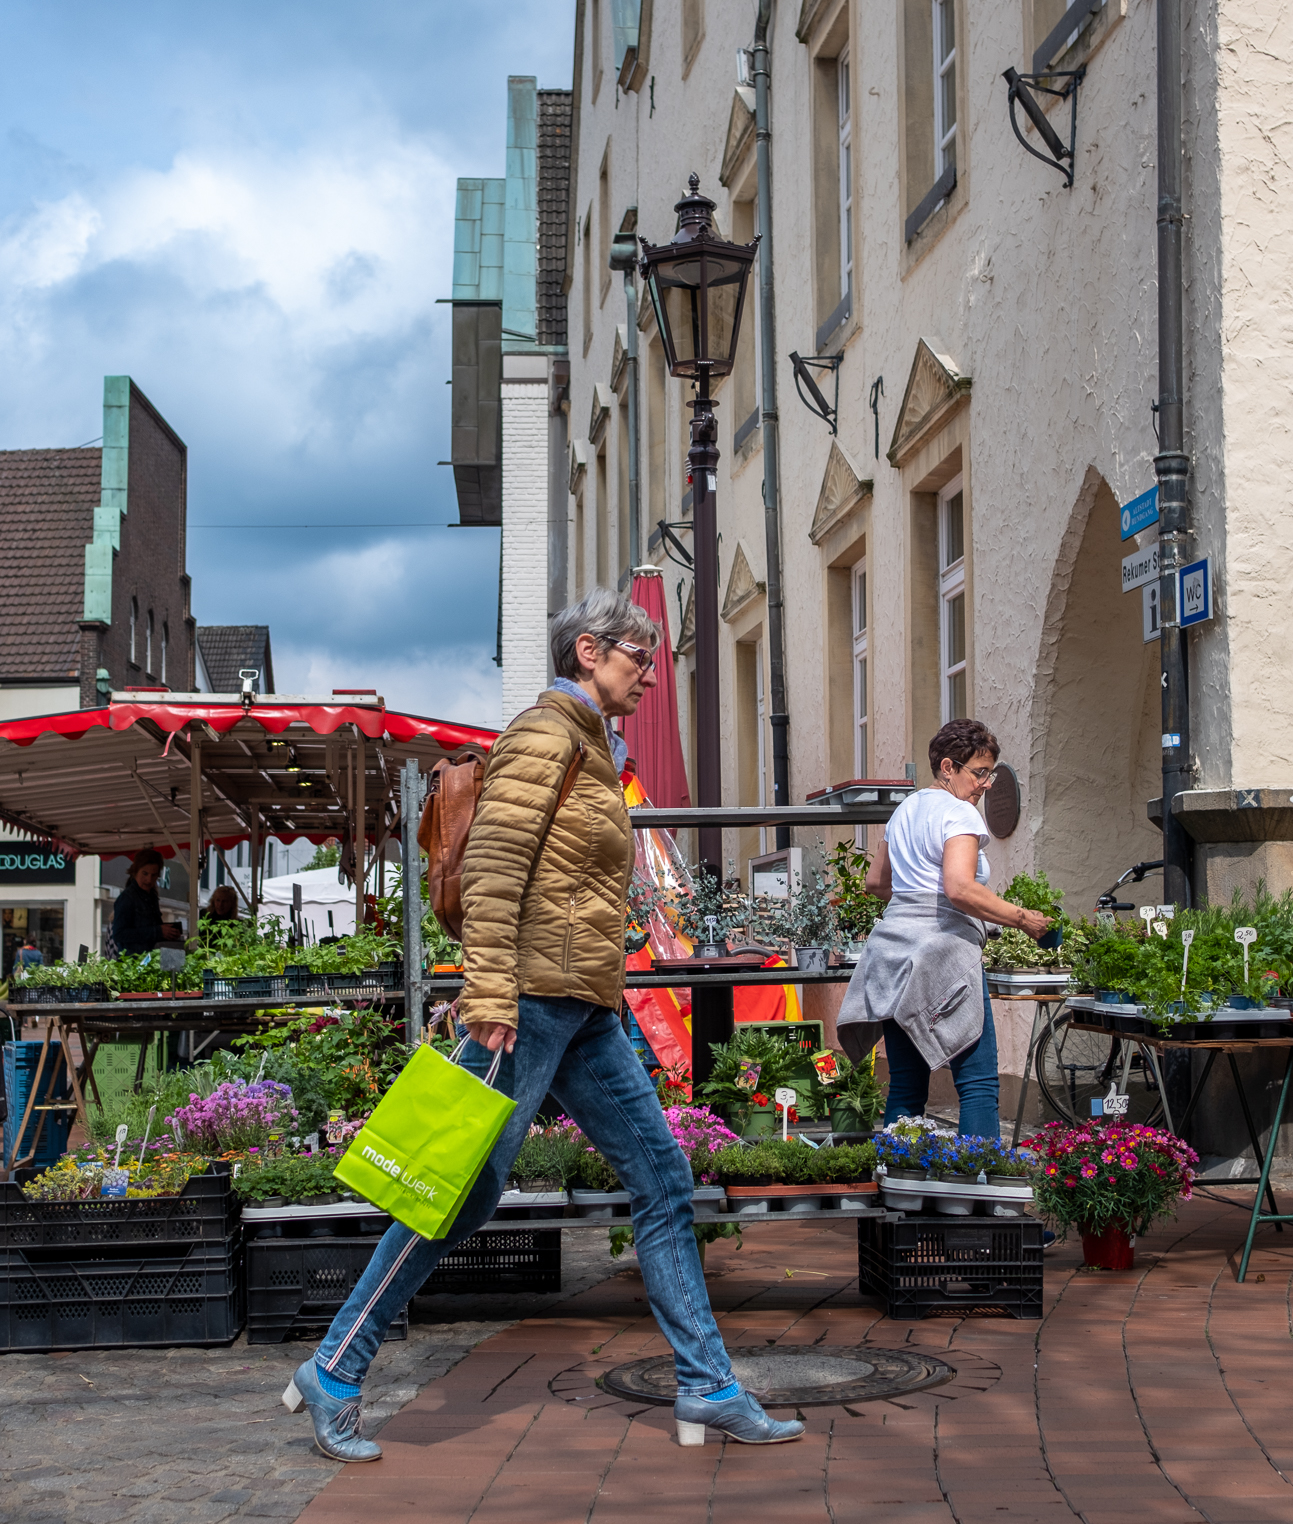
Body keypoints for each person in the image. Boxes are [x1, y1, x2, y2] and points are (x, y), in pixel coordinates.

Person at [285, 587, 801, 1460]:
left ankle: (709, 1387)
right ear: (589, 651)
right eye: (639, 657)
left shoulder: (592, 748)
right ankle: (334, 1368)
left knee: (665, 1180)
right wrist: (488, 995)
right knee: (456, 1189)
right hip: (524, 1005)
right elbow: (493, 868)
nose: (649, 674)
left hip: (582, 1007)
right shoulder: (543, 735)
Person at [836, 719, 1050, 1138]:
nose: (986, 784)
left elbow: (876, 883)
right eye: (980, 772)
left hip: (894, 956)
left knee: (906, 1084)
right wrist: (1023, 918)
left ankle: (898, 1172)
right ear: (948, 767)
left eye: (990, 773)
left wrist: (916, 896)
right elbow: (960, 888)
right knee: (978, 1082)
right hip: (943, 957)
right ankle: (981, 1177)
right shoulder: (959, 813)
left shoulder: (905, 811)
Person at [111, 849, 182, 956]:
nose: (149, 880)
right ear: (135, 871)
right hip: (134, 962)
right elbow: (119, 934)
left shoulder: (151, 896)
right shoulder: (127, 898)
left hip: (149, 959)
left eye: (154, 875)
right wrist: (158, 931)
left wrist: (167, 932)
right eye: (145, 874)